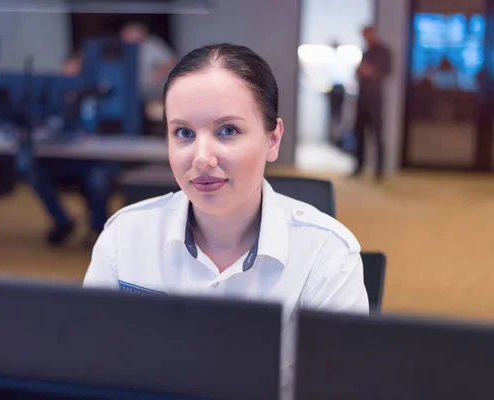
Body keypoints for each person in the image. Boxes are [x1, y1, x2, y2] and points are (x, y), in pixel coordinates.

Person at [83, 43, 369, 398]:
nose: (202, 158)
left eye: (228, 131)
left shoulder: (327, 256)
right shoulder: (124, 237)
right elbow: (90, 374)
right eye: (184, 133)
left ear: (273, 139)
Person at [30, 52, 120, 246]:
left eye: (75, 73)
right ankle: (63, 223)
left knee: (98, 180)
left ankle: (98, 229)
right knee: (37, 175)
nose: (70, 80)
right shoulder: (52, 97)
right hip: (63, 160)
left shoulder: (98, 95)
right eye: (66, 73)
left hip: (93, 162)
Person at [352, 25, 392, 182]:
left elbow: (388, 72)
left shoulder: (384, 52)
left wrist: (371, 72)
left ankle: (379, 171)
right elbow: (358, 73)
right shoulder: (366, 52)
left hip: (376, 100)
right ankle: (358, 167)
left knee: (377, 135)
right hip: (362, 99)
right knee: (359, 134)